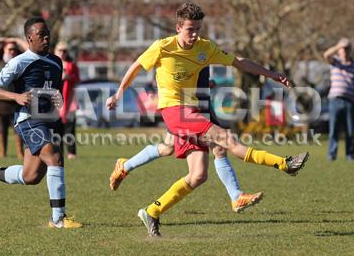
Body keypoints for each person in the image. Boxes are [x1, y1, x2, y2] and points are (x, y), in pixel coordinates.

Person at [106, 3, 309, 237]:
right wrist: (119, 93)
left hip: (193, 109)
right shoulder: (163, 47)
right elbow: (136, 67)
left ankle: (151, 211)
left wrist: (271, 74)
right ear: (178, 27)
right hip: (175, 110)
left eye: (198, 29)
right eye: (190, 29)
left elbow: (239, 62)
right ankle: (284, 164)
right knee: (226, 139)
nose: (194, 35)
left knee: (198, 175)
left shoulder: (205, 47)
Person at [0, 17, 82, 228]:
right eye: (41, 34)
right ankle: (58, 218)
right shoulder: (19, 62)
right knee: (55, 157)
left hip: (47, 120)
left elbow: (53, 91)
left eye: (47, 33)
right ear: (29, 38)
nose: (46, 37)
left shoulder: (56, 61)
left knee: (30, 176)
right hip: (28, 119)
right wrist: (16, 97)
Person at [110, 67, 259, 214]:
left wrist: (206, 84)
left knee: (204, 148)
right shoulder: (176, 47)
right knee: (174, 148)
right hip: (181, 108)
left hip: (199, 105)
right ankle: (125, 166)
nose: (195, 40)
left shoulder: (203, 48)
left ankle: (236, 197)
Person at [0, 37, 28, 159]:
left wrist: (16, 40)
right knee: (2, 128)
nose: (12, 51)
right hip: (1, 100)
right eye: (9, 49)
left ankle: (20, 152)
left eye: (14, 49)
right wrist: (2, 40)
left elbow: (28, 49)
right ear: (4, 50)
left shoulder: (20, 60)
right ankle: (3, 152)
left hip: (16, 99)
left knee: (18, 128)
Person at [323, 38, 354, 161]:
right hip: (335, 100)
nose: (344, 51)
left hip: (350, 101)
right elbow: (326, 55)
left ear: (350, 50)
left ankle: (350, 155)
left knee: (350, 130)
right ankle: (331, 155)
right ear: (339, 51)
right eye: (342, 49)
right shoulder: (335, 62)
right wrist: (338, 45)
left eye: (346, 49)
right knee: (333, 129)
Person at [54, 41, 80, 159]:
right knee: (56, 128)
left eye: (65, 51)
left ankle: (71, 152)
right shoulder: (52, 64)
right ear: (55, 51)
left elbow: (78, 79)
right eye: (60, 50)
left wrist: (69, 77)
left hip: (70, 100)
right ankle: (58, 151)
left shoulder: (71, 65)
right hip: (55, 101)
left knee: (70, 128)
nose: (62, 53)